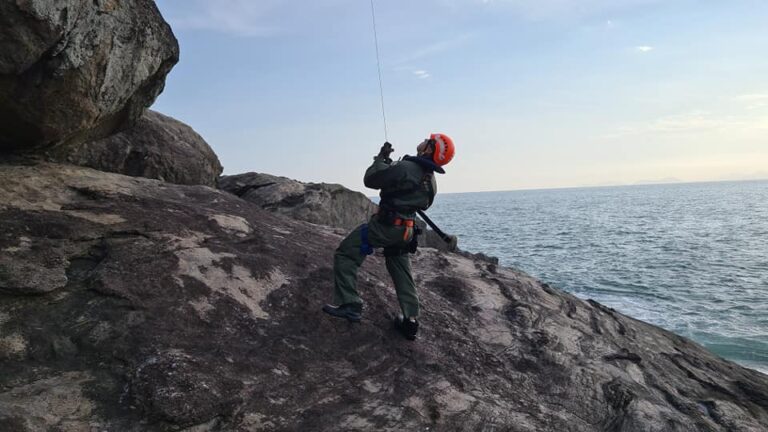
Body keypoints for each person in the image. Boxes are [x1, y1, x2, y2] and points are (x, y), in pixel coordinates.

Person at [322, 134, 456, 340]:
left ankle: (350, 304)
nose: (423, 140)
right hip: (407, 231)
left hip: (386, 227)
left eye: (427, 140)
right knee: (400, 269)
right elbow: (422, 203)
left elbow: (371, 180)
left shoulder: (406, 168)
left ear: (429, 149)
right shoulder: (431, 181)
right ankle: (410, 319)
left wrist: (381, 158)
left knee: (346, 254)